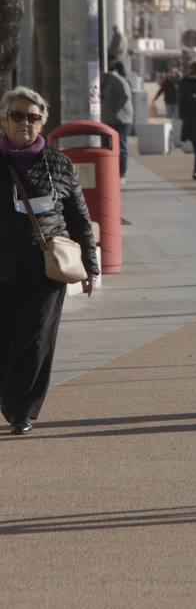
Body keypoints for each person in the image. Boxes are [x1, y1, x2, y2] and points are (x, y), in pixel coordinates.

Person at [0, 87, 100, 435]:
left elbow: (79, 219)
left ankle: (22, 410)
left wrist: (90, 265)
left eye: (32, 117)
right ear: (4, 119)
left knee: (36, 339)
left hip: (46, 268)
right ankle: (8, 395)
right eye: (17, 115)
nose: (24, 123)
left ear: (42, 122)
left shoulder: (60, 164)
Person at [100, 60, 134, 180]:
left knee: (121, 146)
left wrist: (115, 109)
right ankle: (111, 171)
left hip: (121, 120)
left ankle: (122, 173)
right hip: (108, 120)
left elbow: (125, 96)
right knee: (107, 147)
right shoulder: (103, 82)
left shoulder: (116, 80)